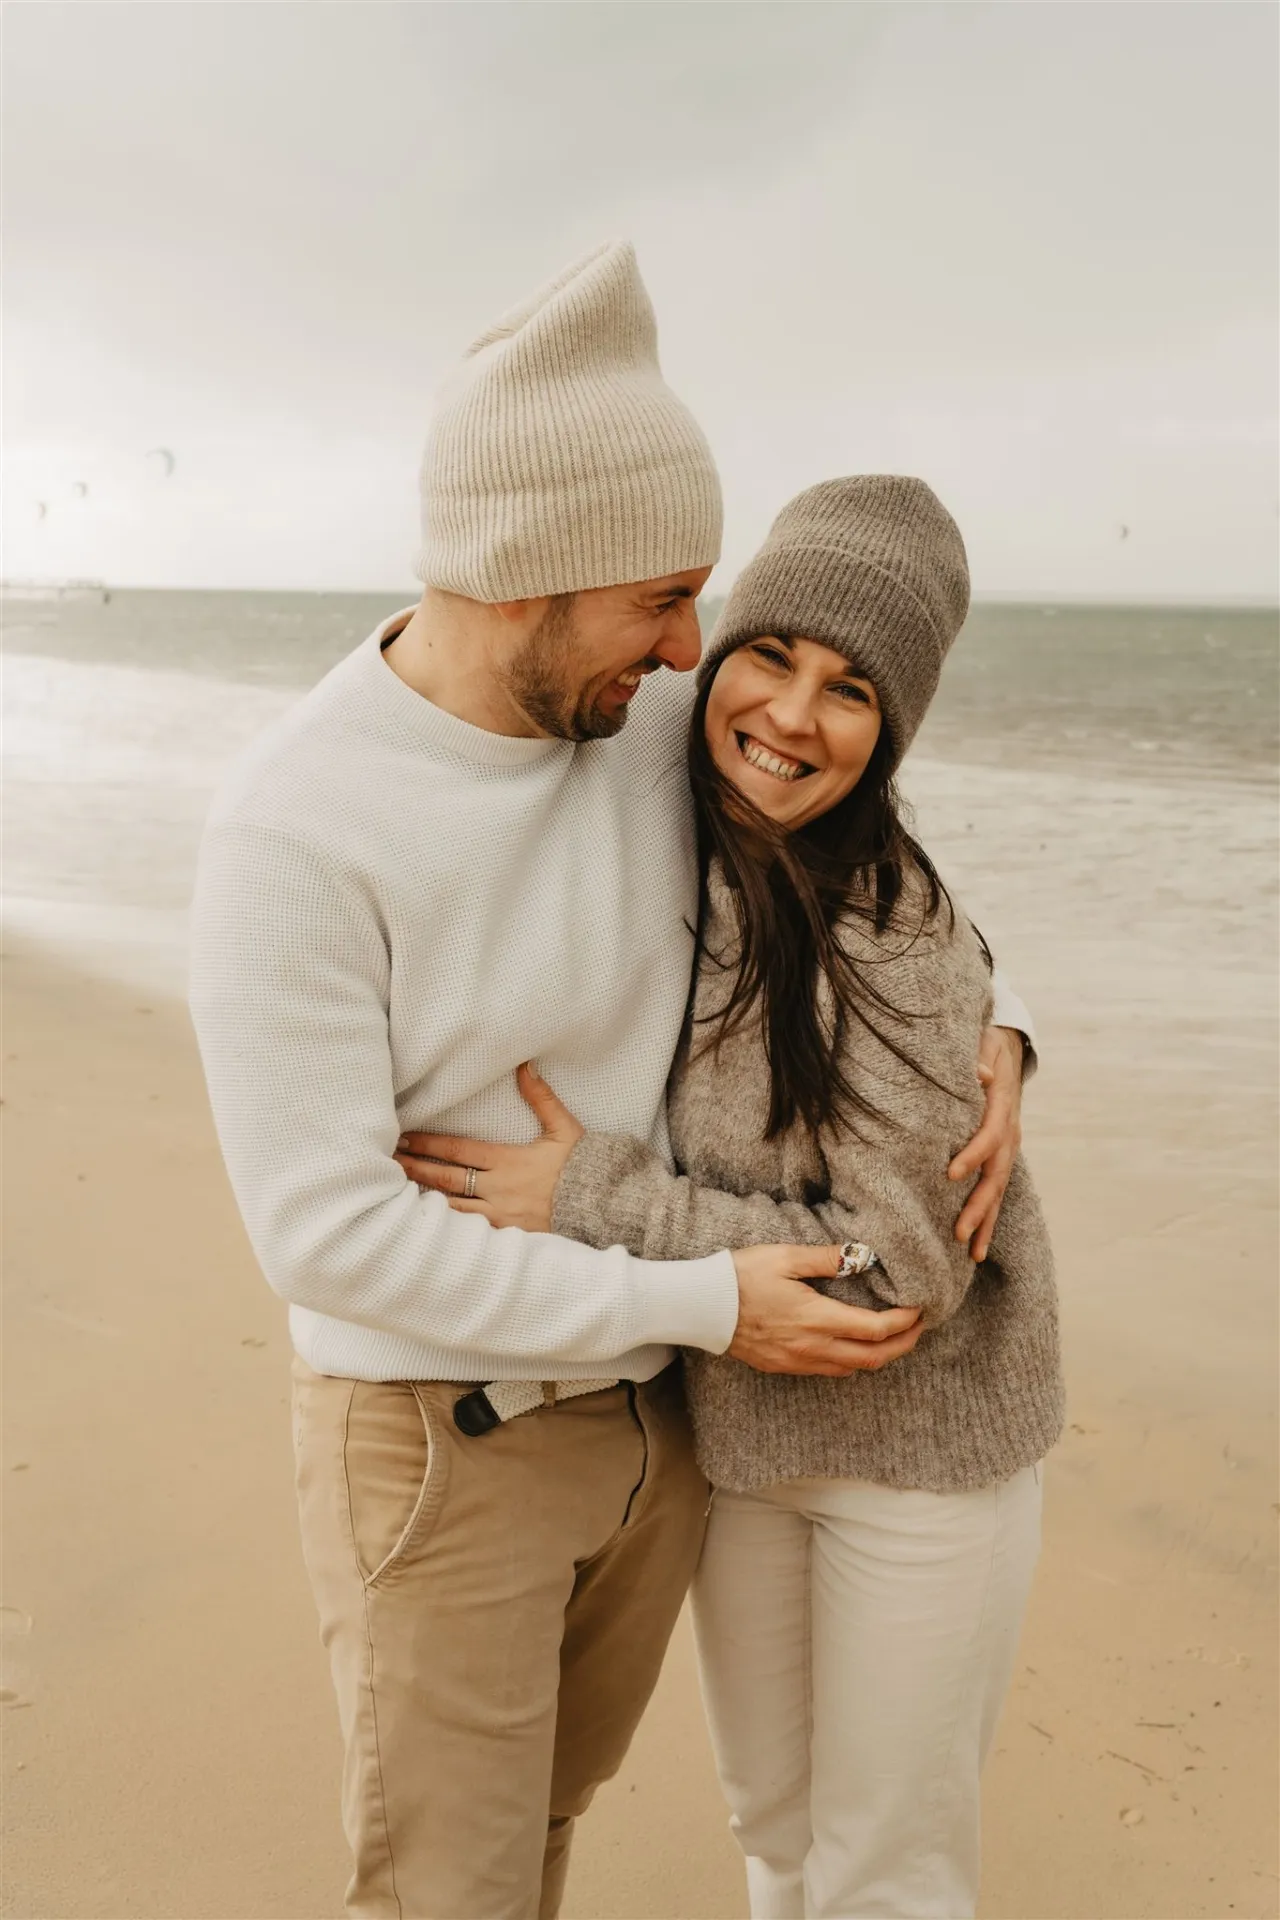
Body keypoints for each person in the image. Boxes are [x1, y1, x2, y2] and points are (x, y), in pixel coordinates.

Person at [190, 238, 1032, 1920]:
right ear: (531, 574)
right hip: (448, 1437)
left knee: (559, 1843)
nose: (689, 650)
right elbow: (329, 1242)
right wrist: (716, 1299)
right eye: (663, 597)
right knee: (454, 1888)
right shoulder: (293, 831)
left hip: (664, 1425)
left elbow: (866, 870)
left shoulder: (642, 724)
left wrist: (1004, 1038)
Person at [396, 476, 1063, 1920]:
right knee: (772, 1827)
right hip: (747, 1441)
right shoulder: (666, 808)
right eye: (771, 652)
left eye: (854, 690)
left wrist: (597, 1195)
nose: (792, 716)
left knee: (887, 1871)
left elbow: (893, 1278)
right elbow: (477, 685)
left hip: (920, 1455)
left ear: (895, 732)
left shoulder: (891, 924)